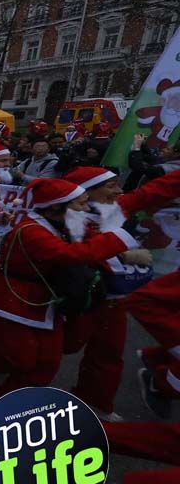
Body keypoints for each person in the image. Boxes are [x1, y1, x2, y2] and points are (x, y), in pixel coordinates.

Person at [0, 178, 136, 401]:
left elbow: (89, 239)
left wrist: (124, 249)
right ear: (57, 207)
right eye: (80, 204)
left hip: (46, 305)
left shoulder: (62, 223)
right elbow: (69, 255)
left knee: (48, 363)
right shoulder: (30, 230)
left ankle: (8, 400)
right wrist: (120, 240)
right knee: (17, 359)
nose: (86, 209)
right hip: (15, 303)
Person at [61, 166, 180, 419]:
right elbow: (78, 245)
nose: (119, 190)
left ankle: (95, 403)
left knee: (109, 353)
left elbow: (155, 190)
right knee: (63, 347)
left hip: (113, 299)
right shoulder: (62, 212)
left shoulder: (119, 205)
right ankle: (17, 384)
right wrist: (121, 253)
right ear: (87, 192)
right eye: (111, 185)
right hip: (78, 297)